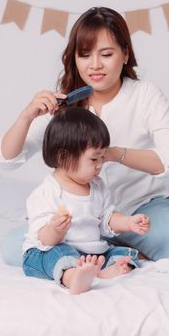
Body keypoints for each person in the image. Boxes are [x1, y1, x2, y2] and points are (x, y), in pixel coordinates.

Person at [0, 6, 169, 265]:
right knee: (14, 248)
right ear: (74, 59)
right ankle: (119, 247)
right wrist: (27, 115)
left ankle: (130, 242)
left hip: (141, 208)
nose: (95, 65)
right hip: (83, 217)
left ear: (125, 54)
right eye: (84, 55)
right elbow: (7, 159)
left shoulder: (144, 94)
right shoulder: (64, 102)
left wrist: (113, 154)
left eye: (106, 54)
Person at [23, 107, 150, 294]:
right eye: (93, 159)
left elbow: (107, 219)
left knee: (123, 253)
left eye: (102, 157)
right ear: (63, 157)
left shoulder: (97, 186)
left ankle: (103, 272)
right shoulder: (47, 192)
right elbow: (44, 239)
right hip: (49, 250)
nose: (100, 165)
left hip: (89, 253)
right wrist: (55, 230)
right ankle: (72, 277)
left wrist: (128, 223)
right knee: (58, 255)